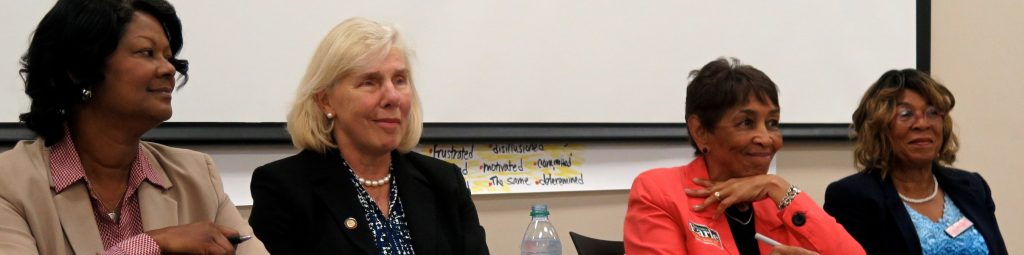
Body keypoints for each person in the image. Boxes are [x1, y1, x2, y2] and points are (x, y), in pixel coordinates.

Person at [0, 0, 268, 254]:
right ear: (79, 68)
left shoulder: (197, 176)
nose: (169, 69)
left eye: (168, 56)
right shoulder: (10, 183)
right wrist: (153, 243)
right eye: (146, 53)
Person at [248, 17, 489, 254]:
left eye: (400, 80)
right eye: (369, 82)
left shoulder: (444, 181)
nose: (392, 97)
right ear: (325, 101)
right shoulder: (284, 188)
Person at [623, 58, 864, 255]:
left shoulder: (775, 200)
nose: (766, 138)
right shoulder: (659, 191)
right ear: (701, 131)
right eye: (746, 123)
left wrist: (780, 187)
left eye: (772, 123)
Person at [823, 69, 1006, 255]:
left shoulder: (973, 187)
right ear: (879, 127)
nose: (922, 124)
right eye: (906, 114)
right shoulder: (852, 197)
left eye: (932, 112)